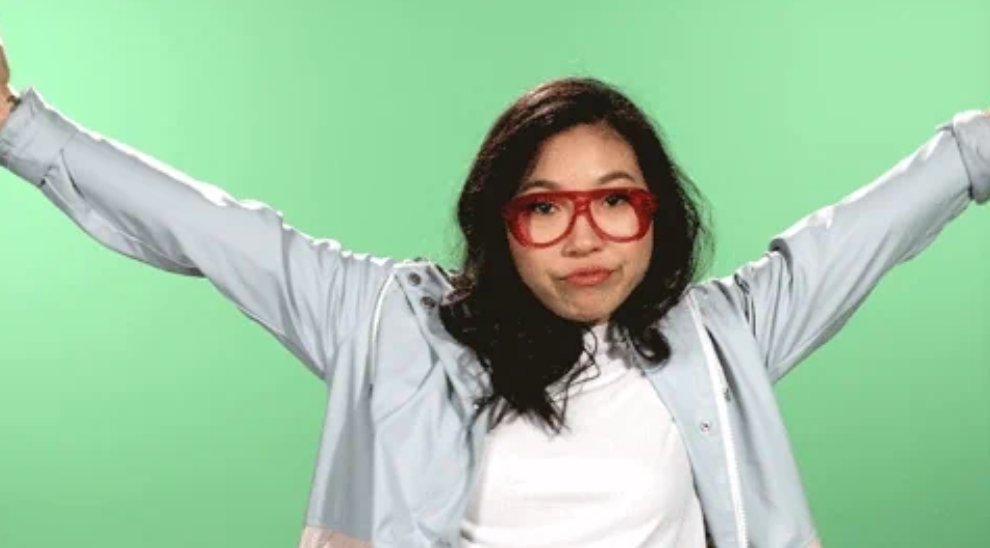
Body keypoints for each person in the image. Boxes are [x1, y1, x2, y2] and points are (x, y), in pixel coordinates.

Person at [1, 36, 987, 548]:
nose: (586, 238)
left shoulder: (721, 337)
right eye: (544, 208)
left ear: (657, 214)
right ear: (499, 224)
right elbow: (215, 230)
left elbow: (864, 231)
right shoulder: (389, 324)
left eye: (616, 200)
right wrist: (18, 128)